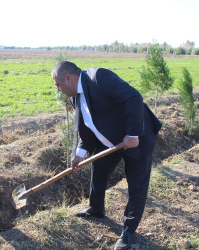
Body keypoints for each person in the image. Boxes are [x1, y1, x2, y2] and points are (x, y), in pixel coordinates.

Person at [51, 61, 162, 250]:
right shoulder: (75, 96)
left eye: (58, 84)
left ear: (68, 78)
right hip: (112, 139)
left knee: (137, 185)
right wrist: (79, 153)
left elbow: (134, 98)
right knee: (99, 167)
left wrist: (132, 134)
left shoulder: (98, 78)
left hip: (137, 135)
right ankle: (96, 209)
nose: (58, 89)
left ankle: (128, 232)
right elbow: (86, 126)